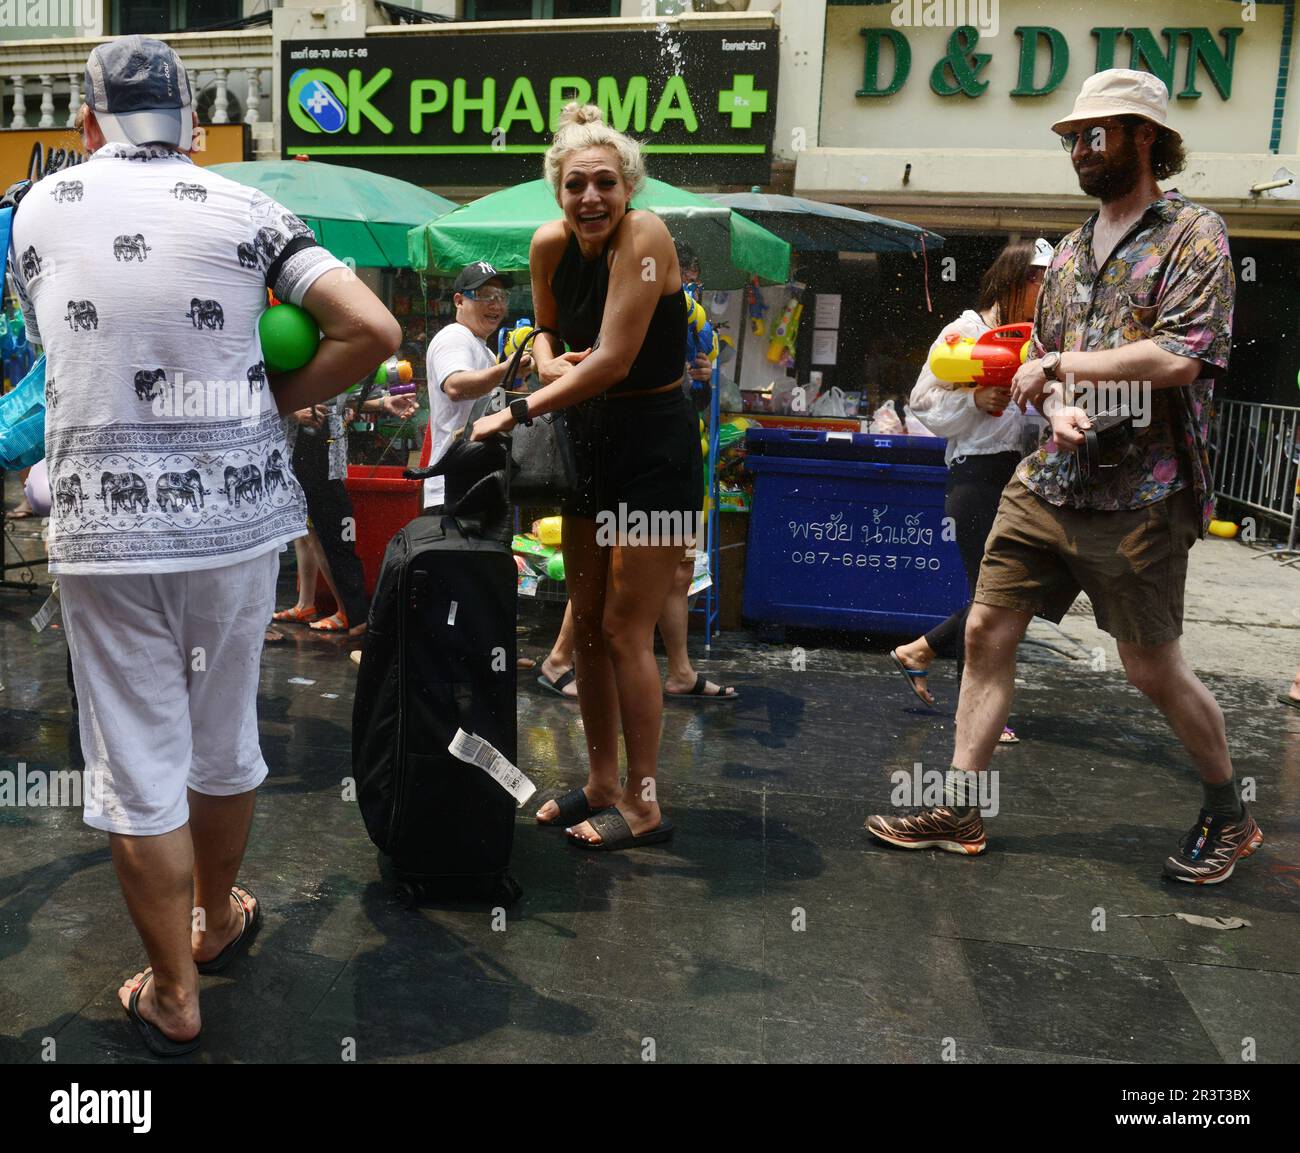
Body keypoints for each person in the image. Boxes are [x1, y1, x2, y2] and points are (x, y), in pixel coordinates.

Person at [8, 36, 400, 1056]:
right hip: (233, 521)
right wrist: (262, 400)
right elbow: (371, 330)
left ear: (87, 124)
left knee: (138, 761)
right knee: (220, 740)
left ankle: (174, 994)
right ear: (191, 124)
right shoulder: (250, 211)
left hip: (102, 527)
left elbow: (57, 341)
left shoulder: (36, 209)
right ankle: (217, 916)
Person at [865, 69, 1254, 884]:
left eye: (1095, 134)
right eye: (1072, 137)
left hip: (1143, 489)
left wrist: (1070, 369)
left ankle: (1228, 808)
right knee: (984, 630)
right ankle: (960, 804)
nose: (1079, 148)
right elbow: (1049, 367)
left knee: (1151, 666)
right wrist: (1057, 401)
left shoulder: (1195, 235)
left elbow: (1181, 357)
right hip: (1049, 477)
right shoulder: (1070, 254)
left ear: (1144, 137)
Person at [471, 103, 698, 849]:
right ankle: (602, 782)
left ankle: (645, 801)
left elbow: (613, 359)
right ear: (557, 192)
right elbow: (545, 329)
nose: (591, 197)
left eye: (606, 182)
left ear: (629, 186)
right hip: (589, 442)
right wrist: (539, 356)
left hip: (656, 448)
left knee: (630, 632)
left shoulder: (646, 236)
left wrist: (518, 410)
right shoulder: (547, 246)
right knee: (591, 630)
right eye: (576, 185)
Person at [887, 239, 1051, 742]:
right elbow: (922, 401)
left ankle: (922, 651)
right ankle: (973, 707)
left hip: (1021, 478)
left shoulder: (1038, 340)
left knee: (1014, 593)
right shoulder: (963, 334)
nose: (1049, 290)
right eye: (1042, 280)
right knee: (993, 598)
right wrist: (976, 399)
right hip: (976, 476)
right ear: (1020, 280)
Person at [272, 388, 416, 635]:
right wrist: (292, 409)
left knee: (328, 529)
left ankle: (350, 611)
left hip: (321, 448)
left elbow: (338, 398)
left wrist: (382, 403)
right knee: (308, 530)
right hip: (296, 447)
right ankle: (307, 604)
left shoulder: (324, 364)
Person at [422, 262, 532, 513]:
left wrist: (515, 376)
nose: (496, 305)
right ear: (459, 301)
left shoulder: (481, 347)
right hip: (454, 489)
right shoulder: (455, 336)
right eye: (485, 296)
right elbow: (456, 387)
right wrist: (507, 367)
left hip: (477, 483)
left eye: (501, 297)